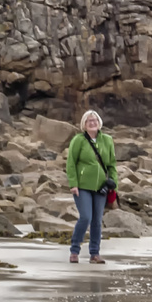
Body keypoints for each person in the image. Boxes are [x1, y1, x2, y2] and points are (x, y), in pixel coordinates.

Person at [65, 110, 117, 264]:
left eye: (94, 120)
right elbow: (71, 163)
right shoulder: (78, 140)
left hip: (101, 187)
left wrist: (113, 182)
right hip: (82, 186)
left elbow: (112, 164)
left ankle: (95, 254)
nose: (92, 123)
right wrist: (73, 184)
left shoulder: (107, 140)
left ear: (99, 122)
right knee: (86, 217)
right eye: (89, 121)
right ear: (84, 124)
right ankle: (74, 250)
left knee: (96, 221)